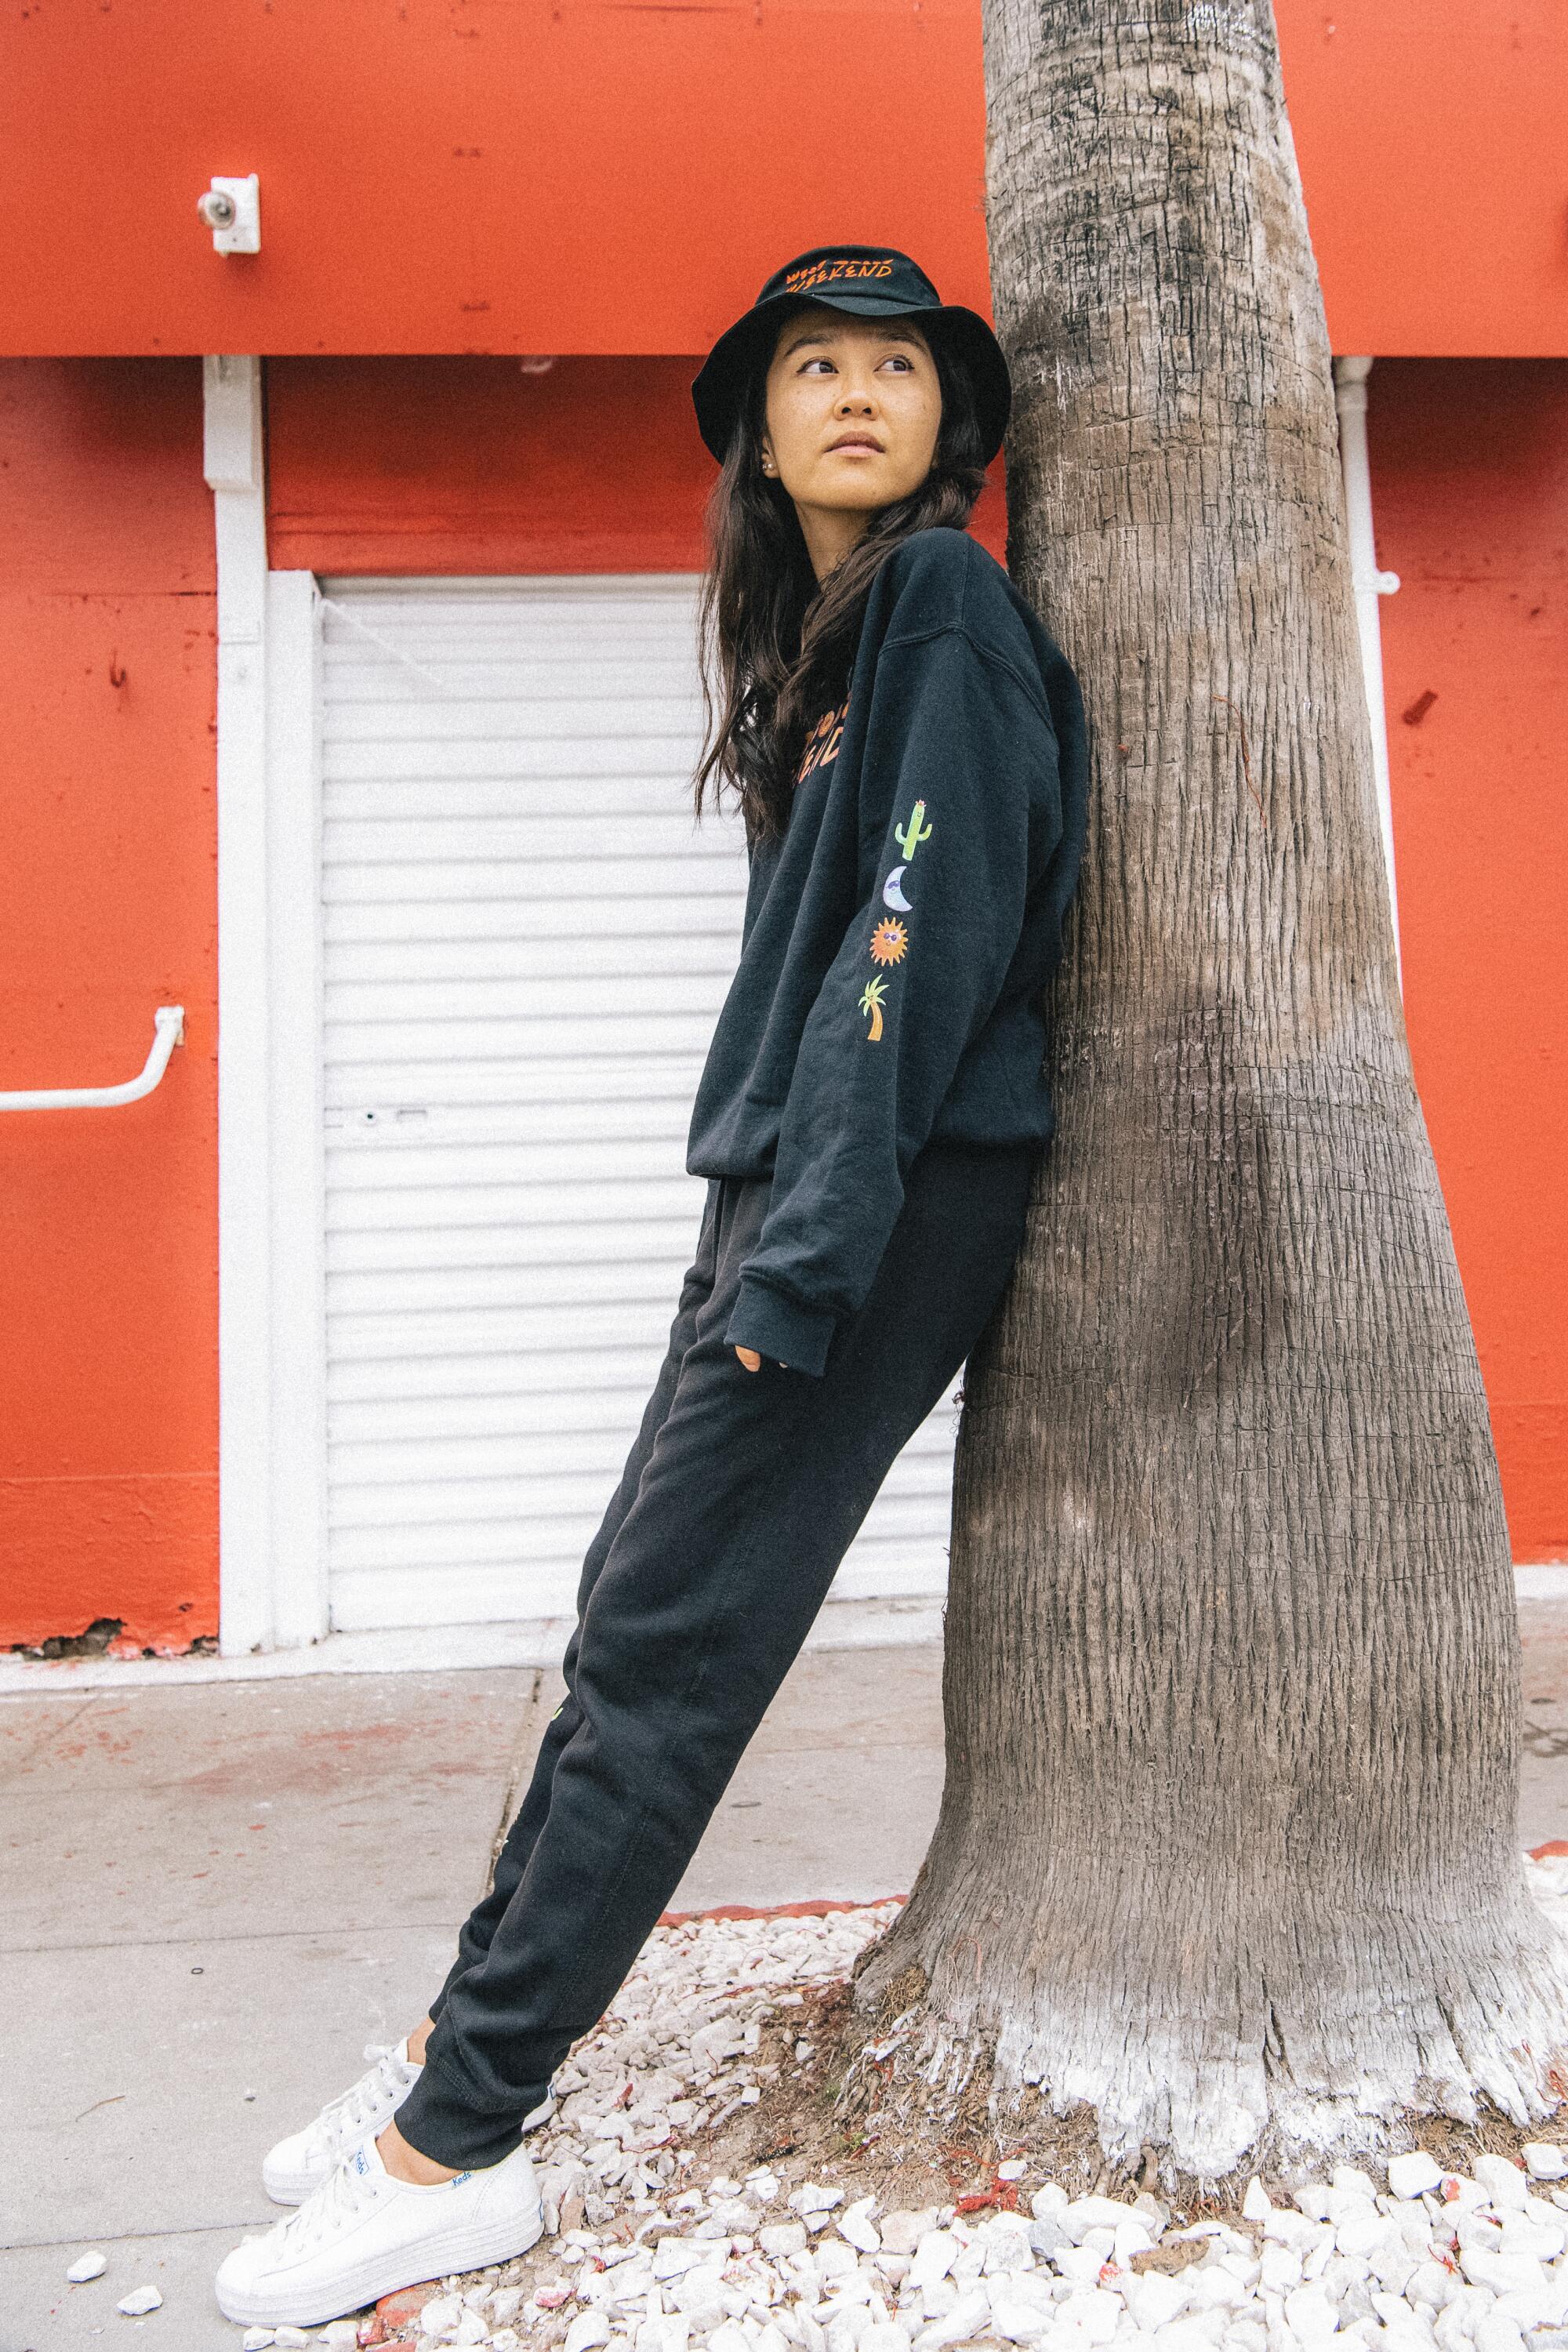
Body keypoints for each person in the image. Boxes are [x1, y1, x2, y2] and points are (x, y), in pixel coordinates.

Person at [214, 242, 1089, 2330]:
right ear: (757, 424)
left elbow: (919, 943)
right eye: (818, 367)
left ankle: (461, 2143)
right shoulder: (830, 637)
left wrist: (807, 1250)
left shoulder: (945, 613)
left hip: (873, 1201)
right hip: (803, 1186)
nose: (861, 394)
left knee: (671, 1655)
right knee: (625, 1622)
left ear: (944, 420)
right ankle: (451, 2062)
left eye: (897, 365)